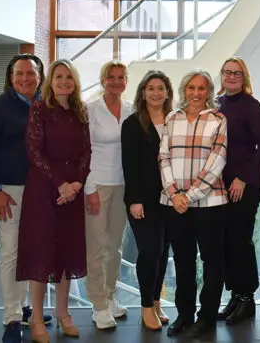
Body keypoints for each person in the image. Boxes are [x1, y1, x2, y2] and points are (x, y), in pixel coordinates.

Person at [0, 54, 53, 342]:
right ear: (11, 77)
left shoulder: (47, 106)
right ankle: (12, 318)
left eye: (31, 73)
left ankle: (26, 308)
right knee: (11, 253)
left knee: (34, 251)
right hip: (10, 192)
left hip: (41, 191)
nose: (25, 78)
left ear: (40, 76)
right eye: (20, 73)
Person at [16, 59, 91, 342]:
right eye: (58, 76)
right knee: (41, 253)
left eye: (69, 77)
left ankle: (63, 312)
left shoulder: (80, 111)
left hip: (72, 192)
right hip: (44, 191)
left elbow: (86, 152)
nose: (64, 82)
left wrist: (77, 184)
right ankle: (36, 319)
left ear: (75, 82)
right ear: (50, 81)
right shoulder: (39, 110)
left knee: (67, 252)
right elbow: (34, 151)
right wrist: (61, 183)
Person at [159, 70, 228, 338]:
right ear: (184, 90)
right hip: (174, 203)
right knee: (183, 261)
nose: (196, 93)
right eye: (191, 87)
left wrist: (188, 196)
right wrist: (174, 193)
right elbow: (163, 157)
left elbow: (217, 160)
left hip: (210, 204)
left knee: (212, 262)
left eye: (201, 88)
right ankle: (185, 316)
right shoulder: (171, 118)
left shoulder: (218, 120)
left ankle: (207, 318)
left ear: (208, 92)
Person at [215, 57, 260, 325]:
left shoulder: (251, 105)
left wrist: (243, 178)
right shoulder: (217, 104)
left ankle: (247, 299)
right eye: (227, 72)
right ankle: (235, 296)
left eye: (237, 73)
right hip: (219, 184)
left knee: (240, 240)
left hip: (245, 184)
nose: (231, 76)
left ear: (244, 77)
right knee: (226, 240)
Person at [121, 70, 174, 331]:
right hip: (142, 199)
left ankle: (155, 302)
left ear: (167, 93)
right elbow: (129, 166)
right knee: (150, 250)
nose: (155, 93)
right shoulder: (132, 124)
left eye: (160, 88)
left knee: (163, 252)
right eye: (151, 88)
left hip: (171, 198)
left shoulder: (175, 121)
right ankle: (145, 306)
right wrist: (134, 200)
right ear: (143, 93)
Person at [84, 60, 134, 330]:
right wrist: (89, 188)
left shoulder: (130, 109)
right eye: (111, 77)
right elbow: (82, 151)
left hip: (123, 185)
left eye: (121, 77)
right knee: (96, 247)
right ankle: (98, 305)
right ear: (103, 80)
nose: (116, 81)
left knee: (114, 247)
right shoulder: (90, 109)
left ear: (126, 81)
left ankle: (110, 296)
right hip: (97, 185)